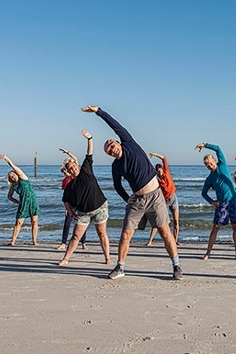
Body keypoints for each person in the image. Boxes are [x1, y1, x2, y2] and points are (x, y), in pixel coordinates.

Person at [83, 106, 181, 280]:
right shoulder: (116, 166)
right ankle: (120, 267)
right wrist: (127, 198)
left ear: (118, 142)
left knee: (165, 232)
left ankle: (176, 265)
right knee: (126, 233)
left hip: (156, 196)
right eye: (109, 150)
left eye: (112, 145)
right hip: (137, 202)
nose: (112, 149)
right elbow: (117, 185)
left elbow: (114, 125)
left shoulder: (128, 143)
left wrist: (98, 111)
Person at [57, 130, 112, 265]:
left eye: (74, 165)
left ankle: (108, 258)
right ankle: (65, 259)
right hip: (83, 213)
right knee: (76, 236)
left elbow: (89, 153)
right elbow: (65, 200)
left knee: (102, 234)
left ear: (76, 165)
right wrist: (71, 213)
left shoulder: (86, 169)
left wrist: (89, 138)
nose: (73, 168)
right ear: (68, 171)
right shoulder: (70, 186)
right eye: (70, 168)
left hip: (100, 207)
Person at [196, 142, 236, 260]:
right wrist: (212, 202)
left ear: (214, 161)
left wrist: (205, 144)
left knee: (235, 226)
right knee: (216, 227)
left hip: (233, 200)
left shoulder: (222, 165)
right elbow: (203, 193)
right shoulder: (210, 178)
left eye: (210, 163)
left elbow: (218, 148)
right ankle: (208, 253)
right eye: (207, 165)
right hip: (222, 204)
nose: (209, 166)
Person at [0, 154, 39, 246]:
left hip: (33, 201)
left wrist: (6, 158)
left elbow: (13, 166)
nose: (13, 177)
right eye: (11, 177)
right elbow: (9, 196)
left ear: (17, 174)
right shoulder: (13, 186)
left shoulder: (23, 178)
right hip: (23, 202)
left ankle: (34, 241)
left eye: (13, 175)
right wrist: (17, 202)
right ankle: (13, 241)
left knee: (34, 221)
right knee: (18, 222)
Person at [145, 152, 180, 246]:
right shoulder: (157, 181)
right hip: (165, 200)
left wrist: (155, 154)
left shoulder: (166, 172)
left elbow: (164, 158)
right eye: (157, 170)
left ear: (162, 168)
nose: (159, 171)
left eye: (160, 169)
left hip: (173, 198)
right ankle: (150, 241)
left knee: (176, 221)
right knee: (159, 221)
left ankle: (175, 240)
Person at [57, 147, 88, 251]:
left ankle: (83, 243)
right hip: (71, 204)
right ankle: (63, 243)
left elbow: (75, 159)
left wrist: (67, 152)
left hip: (80, 201)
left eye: (67, 170)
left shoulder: (75, 175)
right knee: (68, 223)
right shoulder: (65, 181)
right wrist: (67, 208)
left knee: (82, 222)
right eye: (64, 171)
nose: (66, 172)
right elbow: (65, 196)